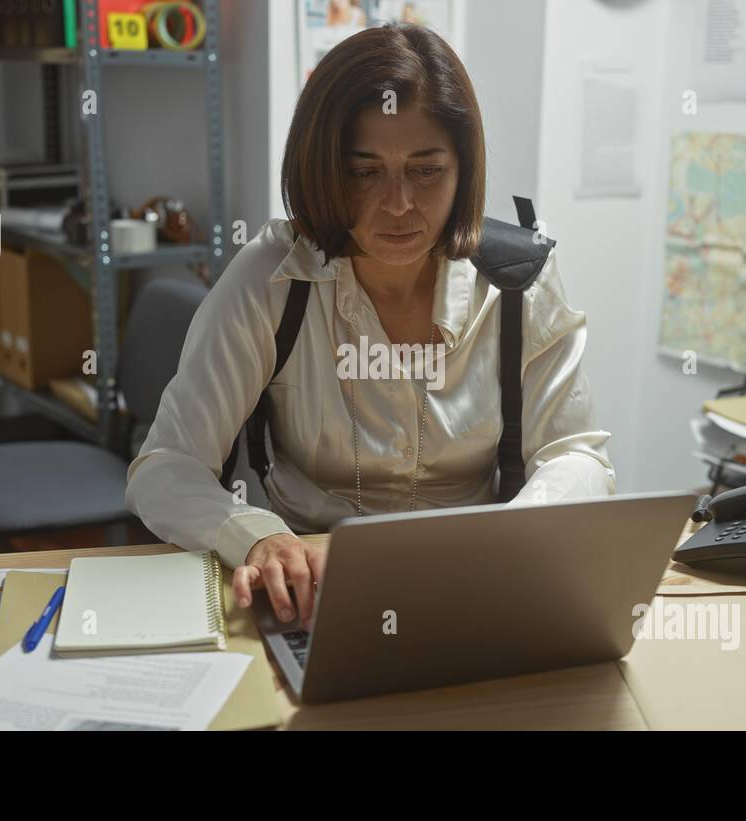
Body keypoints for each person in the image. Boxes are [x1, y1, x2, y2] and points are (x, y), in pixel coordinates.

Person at [126, 23, 615, 630]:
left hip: (475, 585)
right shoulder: (271, 281)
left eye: (427, 170)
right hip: (313, 593)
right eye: (364, 173)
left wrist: (519, 531)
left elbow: (576, 455)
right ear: (323, 172)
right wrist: (254, 537)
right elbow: (167, 464)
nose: (399, 202)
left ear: (464, 171)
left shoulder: (519, 286)